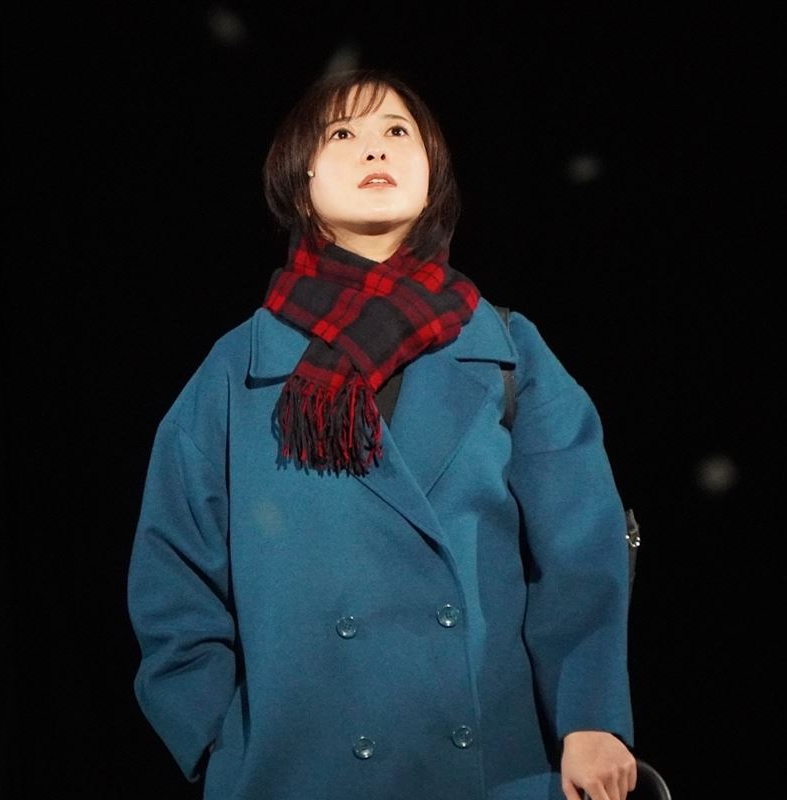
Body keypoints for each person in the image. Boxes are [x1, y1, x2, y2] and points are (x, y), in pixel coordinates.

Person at [127, 67, 637, 800]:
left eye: (398, 131)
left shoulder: (506, 349)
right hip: (296, 769)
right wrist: (218, 740)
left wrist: (590, 718)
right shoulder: (240, 369)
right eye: (343, 134)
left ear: (432, 173)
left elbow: (581, 547)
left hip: (490, 765)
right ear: (300, 179)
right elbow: (173, 566)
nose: (376, 149)